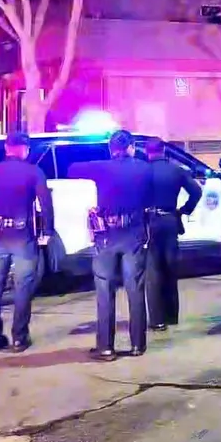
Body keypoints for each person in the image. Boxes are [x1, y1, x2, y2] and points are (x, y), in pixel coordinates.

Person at [68, 130, 152, 361]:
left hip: (107, 236)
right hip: (134, 233)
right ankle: (137, 345)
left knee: (105, 289)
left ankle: (106, 348)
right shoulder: (144, 168)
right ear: (132, 147)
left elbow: (72, 168)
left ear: (111, 149)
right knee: (135, 289)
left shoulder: (101, 167)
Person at [0, 132, 53, 354]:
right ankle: (19, 338)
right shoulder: (33, 171)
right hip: (22, 236)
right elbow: (45, 203)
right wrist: (47, 231)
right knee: (23, 287)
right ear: (26, 149)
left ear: (6, 148)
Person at [143, 137, 202, 332]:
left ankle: (157, 320)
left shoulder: (143, 171)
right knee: (170, 269)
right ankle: (171, 315)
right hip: (170, 220)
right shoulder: (176, 170)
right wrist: (185, 210)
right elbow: (196, 191)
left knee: (153, 271)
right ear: (164, 151)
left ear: (147, 152)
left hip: (149, 223)